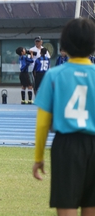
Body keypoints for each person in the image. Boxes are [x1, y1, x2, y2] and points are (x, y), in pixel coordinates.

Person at [32, 18, 95, 216]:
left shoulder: (54, 75)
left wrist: (38, 157)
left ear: (64, 45)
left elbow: (42, 123)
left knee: (66, 205)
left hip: (66, 146)